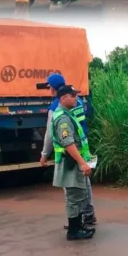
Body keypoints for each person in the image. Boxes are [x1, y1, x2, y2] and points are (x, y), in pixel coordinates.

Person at [40, 73, 96, 227]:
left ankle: (75, 223)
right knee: (84, 184)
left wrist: (44, 155)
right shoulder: (77, 100)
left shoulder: (58, 107)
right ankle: (88, 215)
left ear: (54, 88)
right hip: (83, 147)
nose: (48, 89)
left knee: (71, 189)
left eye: (49, 86)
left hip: (70, 153)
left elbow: (51, 135)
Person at [51, 84, 95, 240]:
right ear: (63, 98)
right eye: (73, 96)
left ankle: (78, 226)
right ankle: (74, 231)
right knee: (74, 197)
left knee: (80, 194)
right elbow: (68, 142)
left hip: (74, 162)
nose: (76, 98)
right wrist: (82, 162)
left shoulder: (68, 114)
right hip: (70, 163)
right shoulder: (63, 118)